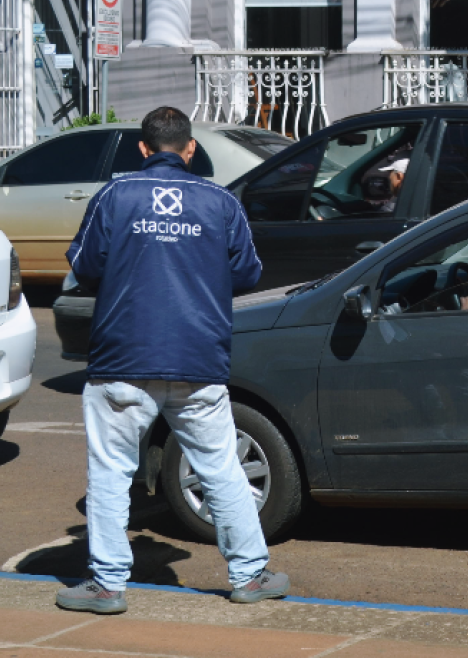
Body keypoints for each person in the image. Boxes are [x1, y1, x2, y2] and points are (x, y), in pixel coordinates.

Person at [55, 107, 288, 615]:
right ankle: (249, 575)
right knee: (222, 469)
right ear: (189, 150)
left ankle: (108, 585)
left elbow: (86, 264)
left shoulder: (115, 196)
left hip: (122, 357)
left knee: (111, 472)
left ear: (142, 149)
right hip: (197, 358)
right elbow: (247, 274)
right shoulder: (220, 201)